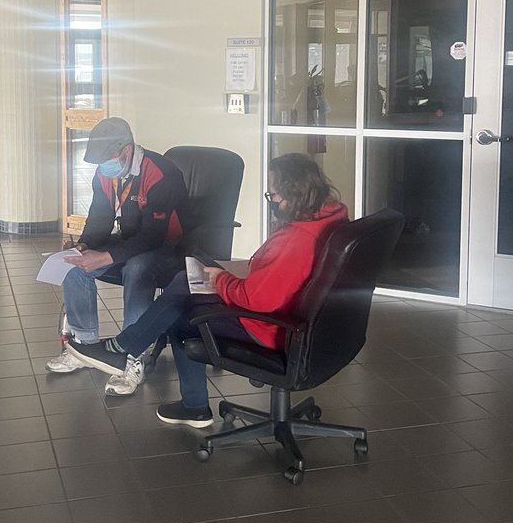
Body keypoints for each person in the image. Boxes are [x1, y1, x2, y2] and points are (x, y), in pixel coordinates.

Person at [66, 153, 348, 427]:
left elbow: (255, 299)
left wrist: (222, 281)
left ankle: (186, 399)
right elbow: (276, 279)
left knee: (181, 315)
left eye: (273, 196)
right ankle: (124, 349)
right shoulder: (329, 216)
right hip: (297, 316)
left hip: (269, 326)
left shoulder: (297, 240)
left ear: (295, 193)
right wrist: (225, 275)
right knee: (184, 282)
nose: (271, 201)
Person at [45, 117, 188, 396]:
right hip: (132, 240)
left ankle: (132, 356)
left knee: (137, 268)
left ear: (126, 150)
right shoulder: (106, 172)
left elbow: (154, 236)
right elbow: (101, 215)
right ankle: (84, 347)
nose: (103, 167)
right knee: (76, 266)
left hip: (171, 247)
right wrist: (85, 246)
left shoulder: (160, 173)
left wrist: (107, 256)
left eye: (106, 159)